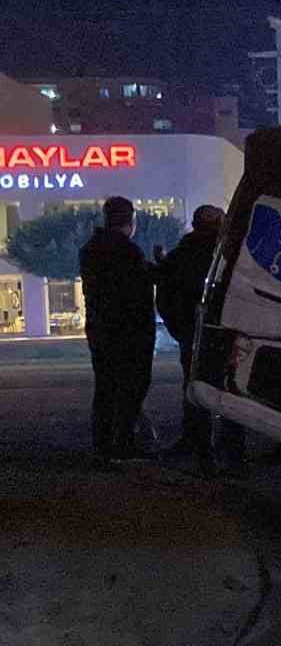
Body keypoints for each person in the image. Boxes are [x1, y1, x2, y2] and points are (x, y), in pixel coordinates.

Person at [154, 205, 236, 466]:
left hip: (193, 333)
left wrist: (179, 328)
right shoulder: (229, 252)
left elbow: (166, 291)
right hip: (226, 333)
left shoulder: (185, 252)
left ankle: (198, 445)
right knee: (229, 388)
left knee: (194, 389)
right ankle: (231, 449)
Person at [80, 196, 155, 461]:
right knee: (130, 388)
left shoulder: (90, 249)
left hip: (101, 330)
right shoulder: (128, 251)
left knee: (106, 388)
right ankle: (123, 442)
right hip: (129, 333)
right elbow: (137, 291)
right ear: (130, 220)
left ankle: (103, 444)